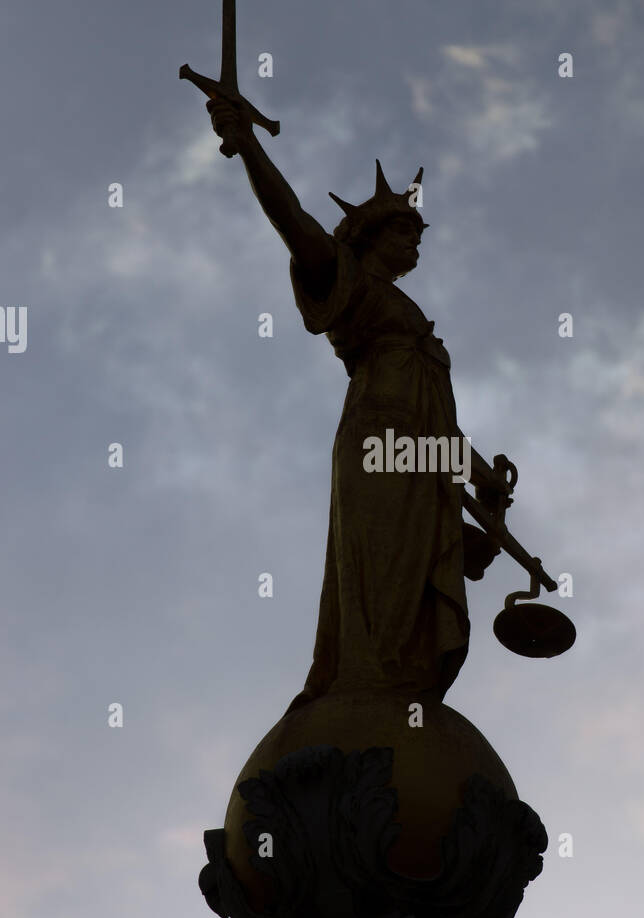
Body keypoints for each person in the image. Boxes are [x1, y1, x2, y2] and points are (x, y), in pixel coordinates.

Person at [207, 95, 499, 709]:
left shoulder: (413, 321)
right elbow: (295, 223)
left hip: (418, 454)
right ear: (369, 235)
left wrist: (481, 475)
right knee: (380, 574)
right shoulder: (353, 284)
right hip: (378, 445)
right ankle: (362, 689)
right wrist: (249, 147)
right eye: (405, 230)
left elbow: (437, 432)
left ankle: (400, 692)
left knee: (411, 586)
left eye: (420, 233)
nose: (417, 242)